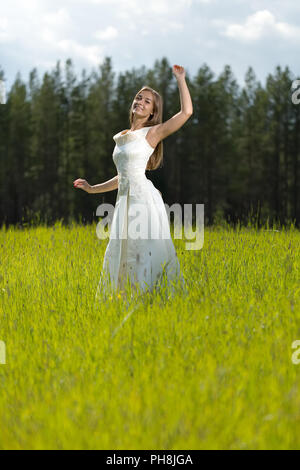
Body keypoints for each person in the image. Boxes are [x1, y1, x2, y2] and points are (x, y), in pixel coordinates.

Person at [73, 64, 193, 299]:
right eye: (139, 98)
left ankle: (150, 300)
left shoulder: (152, 133)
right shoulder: (122, 137)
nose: (140, 101)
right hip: (124, 202)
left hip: (142, 200)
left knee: (143, 251)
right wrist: (92, 188)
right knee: (122, 251)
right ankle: (126, 300)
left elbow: (186, 113)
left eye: (147, 101)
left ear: (152, 113)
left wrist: (180, 79)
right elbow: (123, 176)